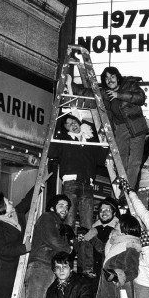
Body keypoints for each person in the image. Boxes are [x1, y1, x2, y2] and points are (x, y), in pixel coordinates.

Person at [49, 113, 108, 278]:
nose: (71, 125)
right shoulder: (64, 139)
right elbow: (51, 151)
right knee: (67, 225)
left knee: (87, 227)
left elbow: (101, 158)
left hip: (87, 186)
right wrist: (57, 131)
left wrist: (100, 135)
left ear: (78, 122)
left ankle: (86, 268)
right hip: (71, 183)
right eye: (67, 124)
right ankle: (63, 265)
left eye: (73, 121)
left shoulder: (88, 139)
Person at [69, 67, 149, 190]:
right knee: (120, 161)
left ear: (117, 77)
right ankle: (123, 188)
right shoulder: (105, 93)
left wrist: (119, 95)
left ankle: (129, 189)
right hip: (120, 128)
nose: (109, 80)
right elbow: (87, 93)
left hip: (136, 127)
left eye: (112, 76)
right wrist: (70, 83)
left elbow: (141, 98)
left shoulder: (129, 84)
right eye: (106, 78)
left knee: (135, 162)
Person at [0, 177, 49, 298]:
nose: (11, 202)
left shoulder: (16, 214)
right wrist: (24, 248)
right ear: (0, 207)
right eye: (8, 202)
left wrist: (38, 187)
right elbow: (2, 249)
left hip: (17, 268)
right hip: (2, 272)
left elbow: (27, 201)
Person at [25, 194, 73, 298]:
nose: (65, 209)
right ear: (52, 208)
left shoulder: (59, 224)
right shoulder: (47, 217)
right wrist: (69, 249)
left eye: (66, 207)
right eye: (61, 205)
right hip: (40, 266)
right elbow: (52, 239)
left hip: (49, 266)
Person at [96, 214, 142, 298]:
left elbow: (133, 271)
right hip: (108, 287)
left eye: (118, 223)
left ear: (125, 228)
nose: (115, 224)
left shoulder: (131, 247)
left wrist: (119, 275)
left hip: (120, 290)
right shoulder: (115, 242)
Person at [79, 197, 121, 291]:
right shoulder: (94, 228)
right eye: (101, 210)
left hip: (107, 276)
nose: (104, 212)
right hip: (89, 275)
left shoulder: (118, 231)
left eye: (108, 210)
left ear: (114, 213)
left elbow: (105, 250)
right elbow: (81, 251)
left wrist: (91, 238)